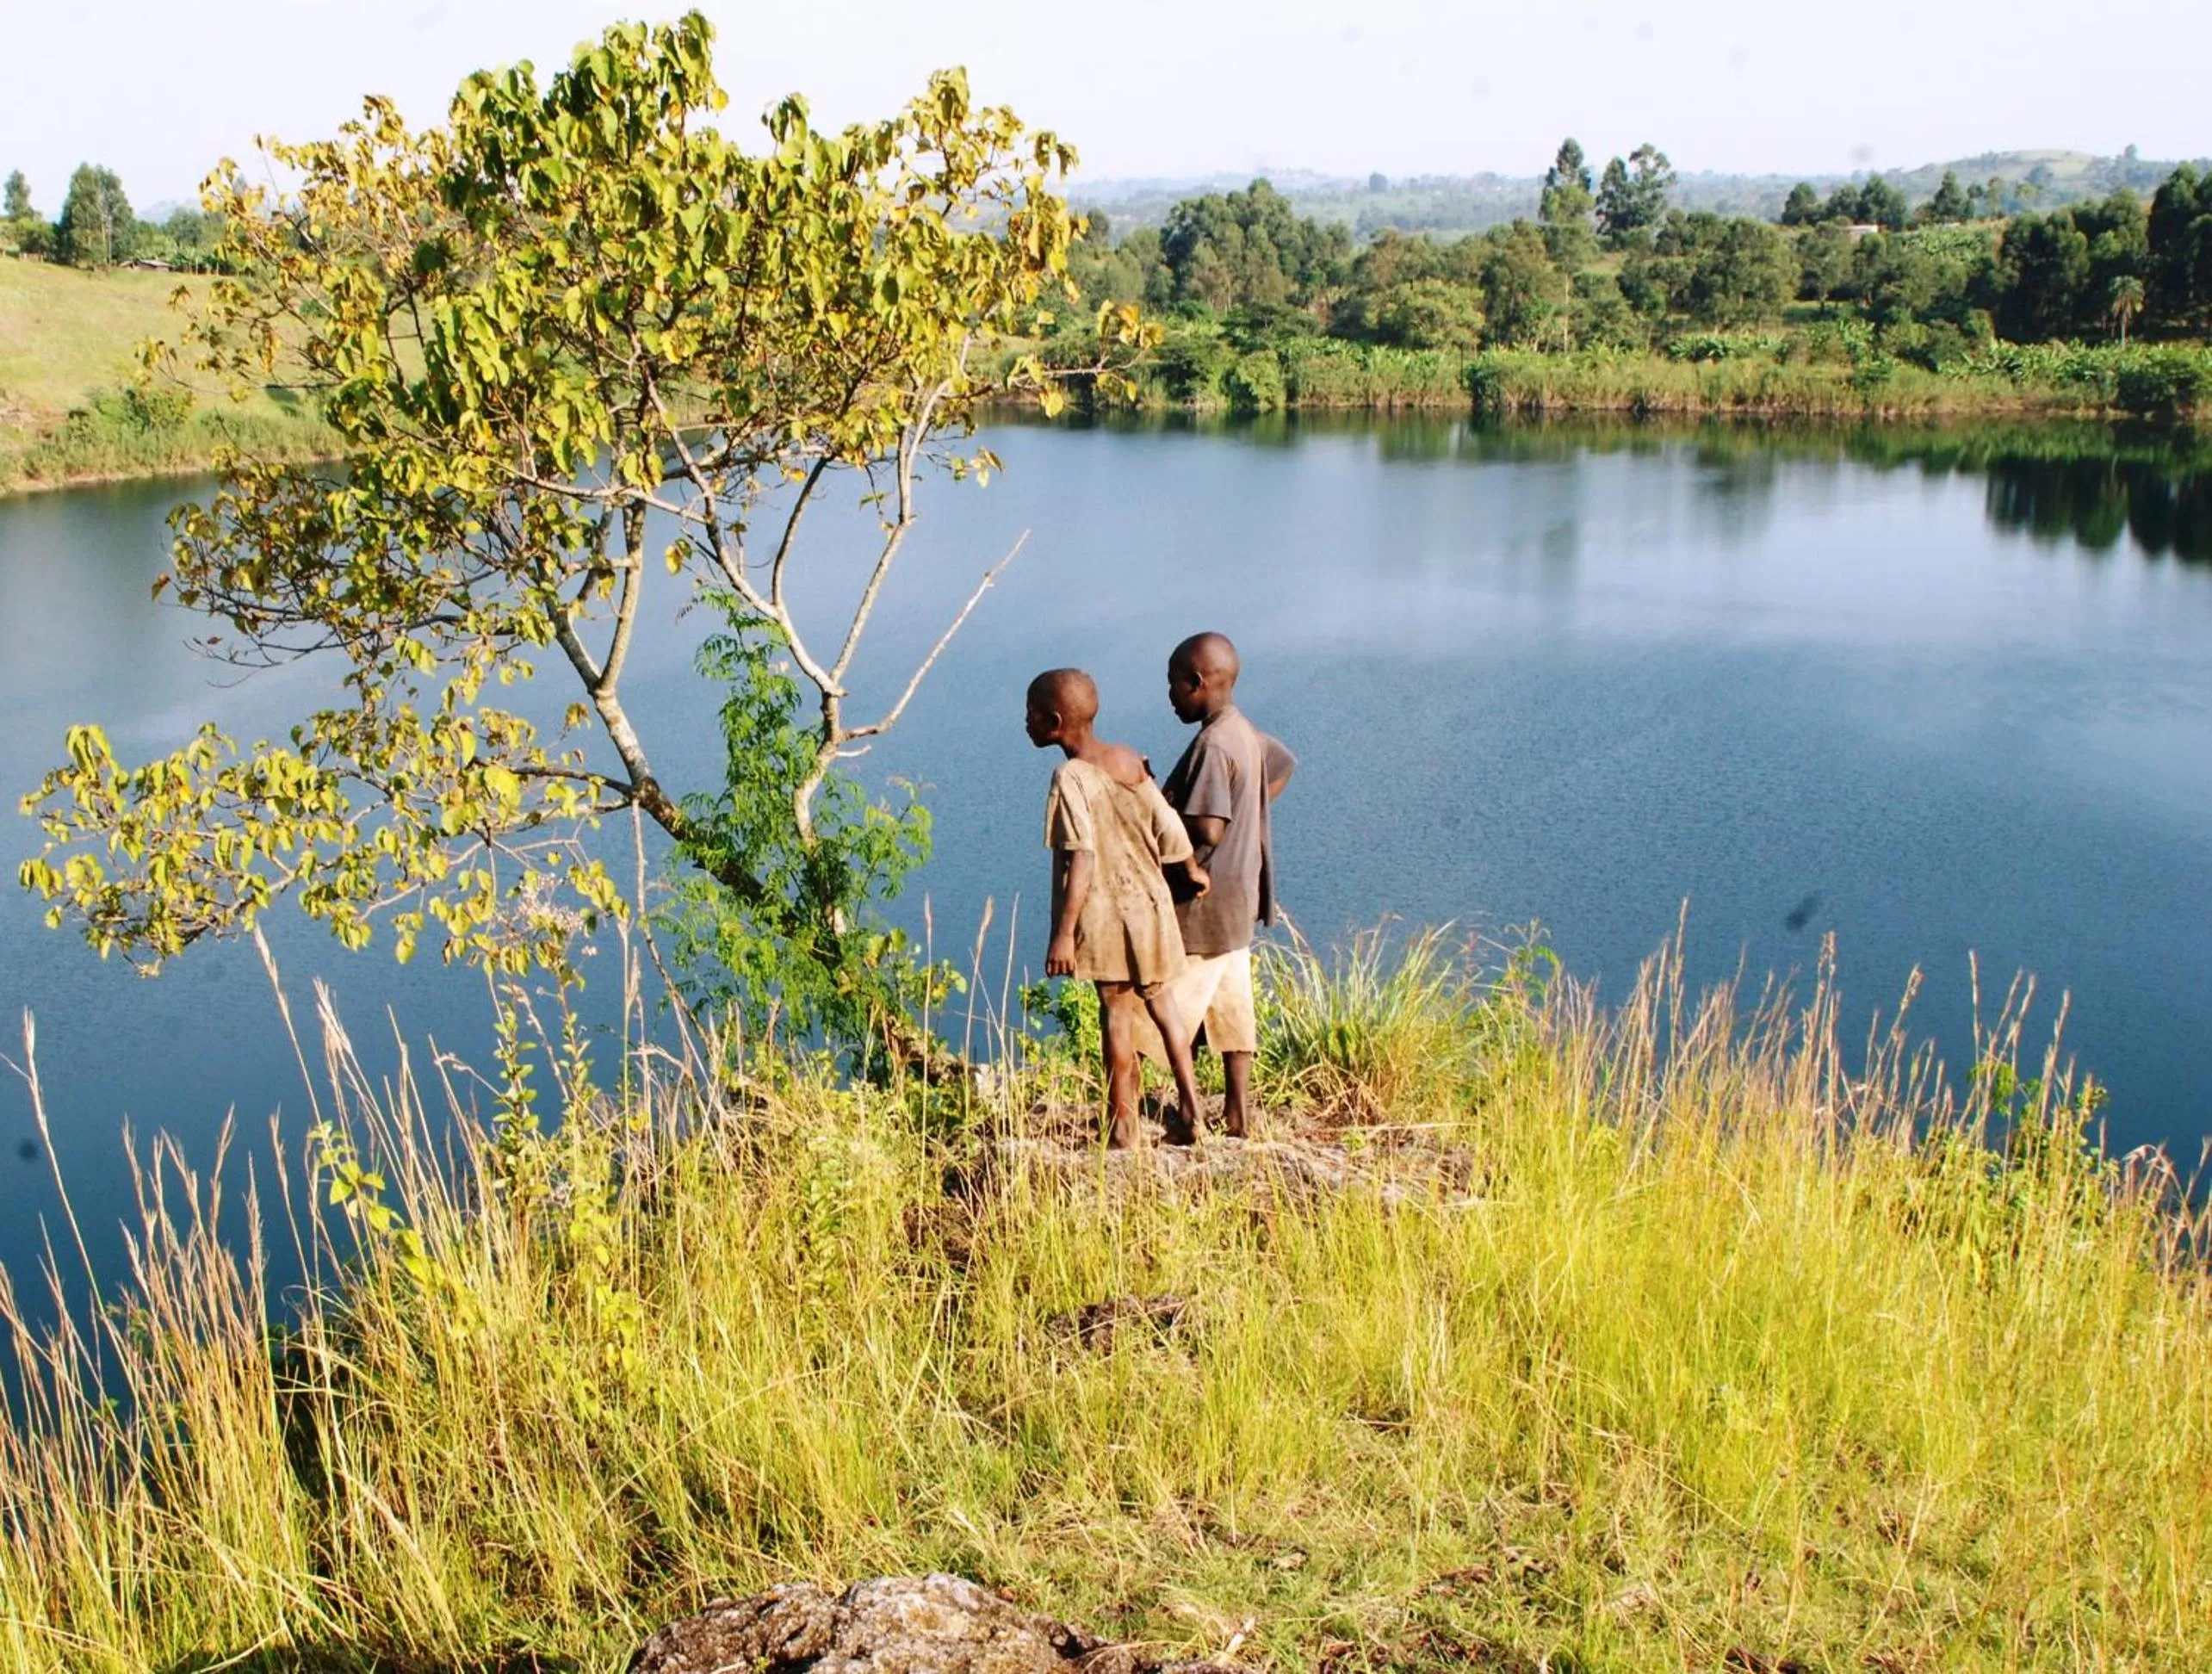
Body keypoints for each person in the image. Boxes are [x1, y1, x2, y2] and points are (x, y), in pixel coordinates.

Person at [1026, 667, 1212, 1148]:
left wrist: (1064, 932)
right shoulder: (1129, 759)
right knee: (1164, 1005)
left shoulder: (1070, 777)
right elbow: (1167, 824)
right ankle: (1192, 1110)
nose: (1024, 723)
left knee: (1115, 1012)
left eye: (1031, 715)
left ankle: (1123, 1124)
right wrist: (1190, 869)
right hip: (1150, 903)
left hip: (1108, 912)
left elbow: (1083, 857)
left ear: (1054, 720)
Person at [1155, 631, 1295, 1139]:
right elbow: (1282, 766)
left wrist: (1164, 815)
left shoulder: (1214, 745)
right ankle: (1238, 1113)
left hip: (1203, 905)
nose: (1169, 696)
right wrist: (1248, 815)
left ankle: (1186, 1111)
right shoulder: (1242, 731)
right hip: (1240, 897)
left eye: (1173, 685)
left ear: (1197, 683)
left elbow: (1208, 827)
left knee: (1176, 1009)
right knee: (1232, 1004)